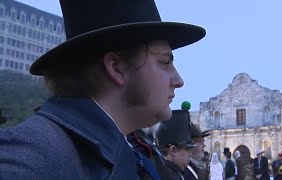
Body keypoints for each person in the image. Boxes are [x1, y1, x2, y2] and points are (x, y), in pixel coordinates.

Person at [0, 0, 206, 179]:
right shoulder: (34, 156)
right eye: (164, 62)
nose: (178, 80)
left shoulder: (122, 152)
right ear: (116, 67)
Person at [155, 108, 197, 180]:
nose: (190, 154)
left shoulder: (175, 172)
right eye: (187, 149)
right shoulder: (166, 175)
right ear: (173, 150)